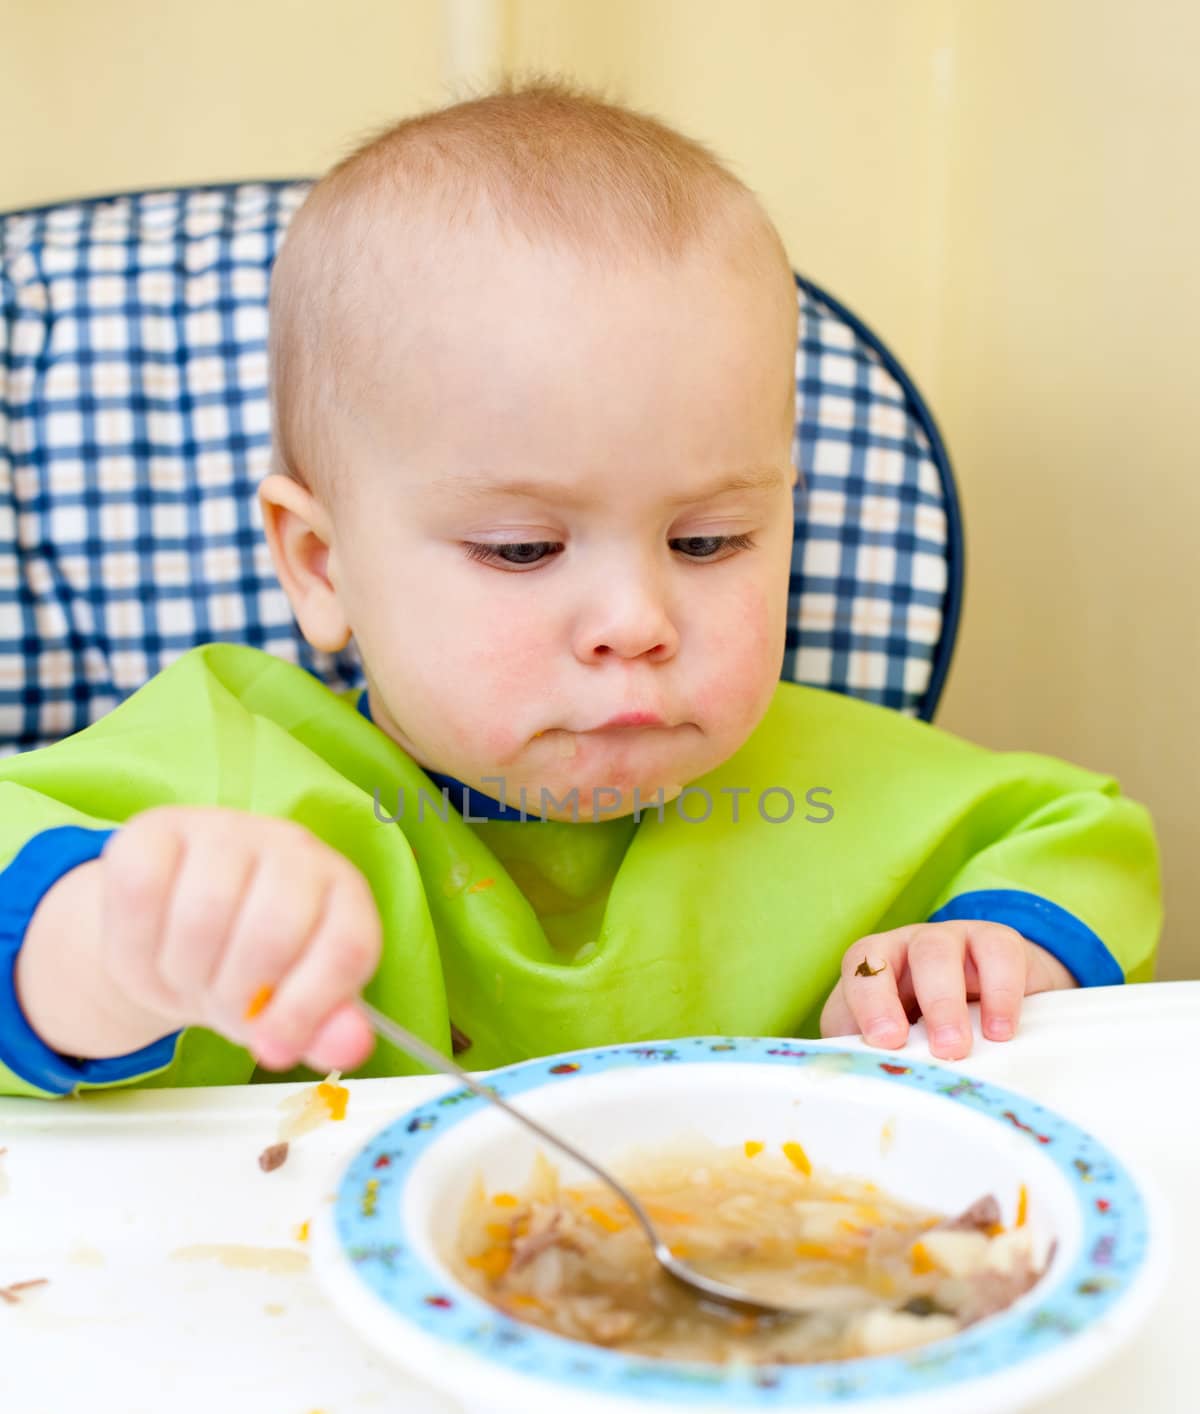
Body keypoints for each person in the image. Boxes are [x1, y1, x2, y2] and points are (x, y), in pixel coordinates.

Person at [0, 80, 1161, 1099]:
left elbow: (1077, 832)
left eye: (708, 542)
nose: (636, 625)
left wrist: (983, 950)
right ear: (320, 564)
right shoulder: (234, 774)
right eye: (521, 550)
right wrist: (109, 950)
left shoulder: (837, 780)